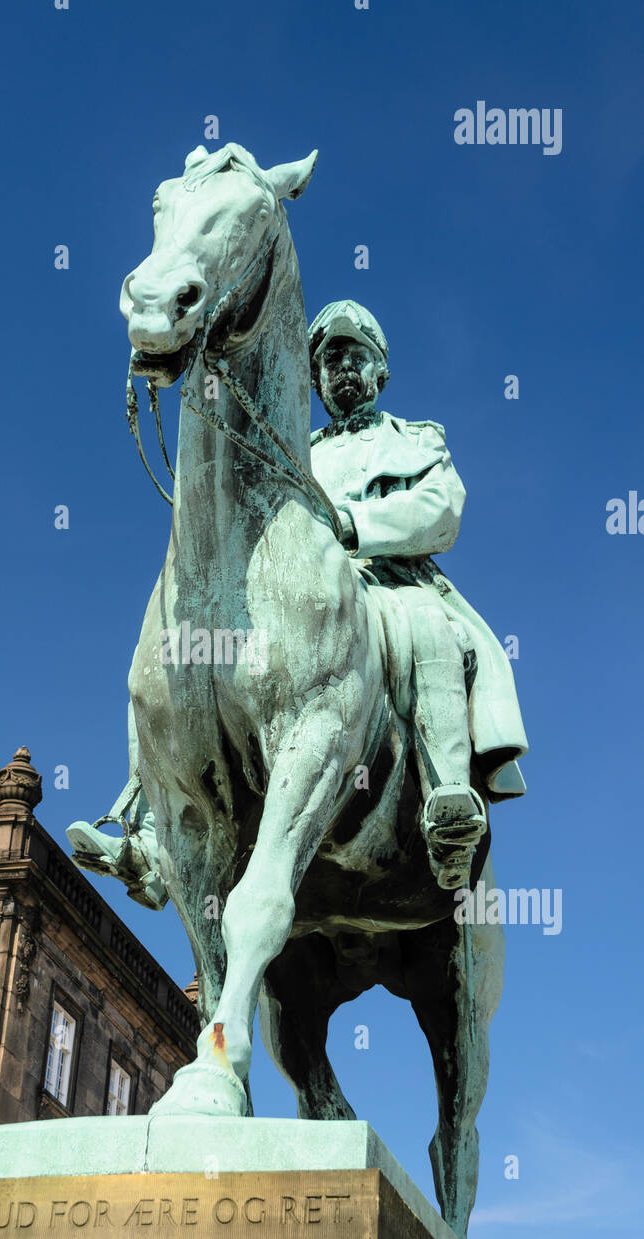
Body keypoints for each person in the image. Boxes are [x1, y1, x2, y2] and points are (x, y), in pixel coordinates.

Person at [67, 300, 527, 897]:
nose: (339, 367)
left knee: (426, 626)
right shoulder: (295, 450)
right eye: (328, 358)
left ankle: (446, 804)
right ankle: (152, 829)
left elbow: (441, 510)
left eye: (352, 354)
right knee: (182, 652)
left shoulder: (416, 439)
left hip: (387, 582)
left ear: (380, 370)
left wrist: (353, 523)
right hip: (302, 599)